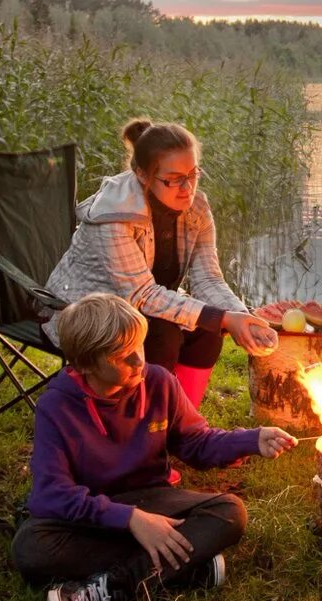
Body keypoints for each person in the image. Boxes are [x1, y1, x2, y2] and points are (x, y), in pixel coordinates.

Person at [12, 293, 297, 601]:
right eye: (122, 355)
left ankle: (107, 589)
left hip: (152, 497)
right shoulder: (56, 407)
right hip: (93, 512)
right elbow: (51, 495)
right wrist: (130, 519)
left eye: (140, 346)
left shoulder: (159, 381)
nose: (138, 361)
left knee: (229, 512)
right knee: (30, 549)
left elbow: (196, 443)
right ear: (86, 364)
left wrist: (251, 439)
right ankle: (185, 570)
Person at [44, 118, 278, 408]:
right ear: (143, 175)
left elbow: (208, 279)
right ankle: (146, 428)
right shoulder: (114, 216)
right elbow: (141, 294)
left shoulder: (196, 210)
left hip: (139, 308)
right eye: (173, 179)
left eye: (193, 174)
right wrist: (223, 318)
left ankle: (182, 423)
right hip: (79, 312)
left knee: (207, 332)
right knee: (160, 334)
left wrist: (241, 316)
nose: (187, 188)